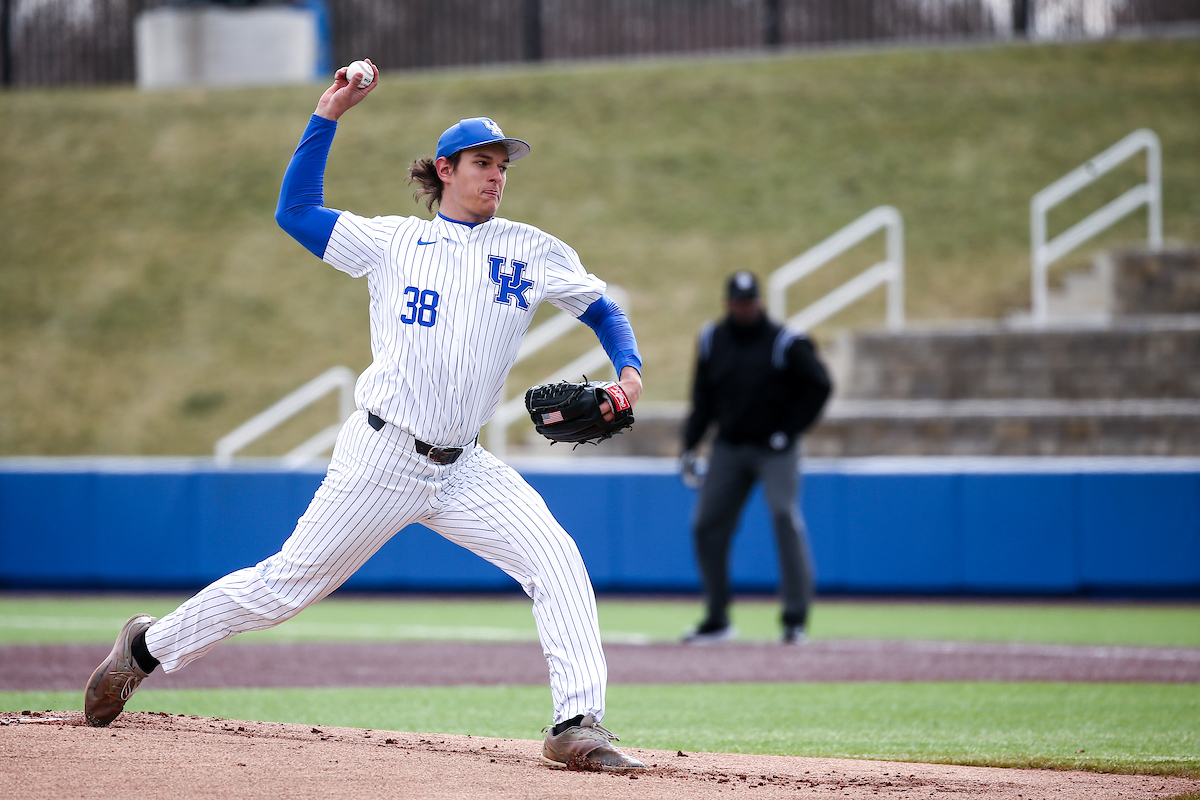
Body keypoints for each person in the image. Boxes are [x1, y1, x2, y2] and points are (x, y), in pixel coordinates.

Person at [83, 59, 648, 772]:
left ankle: (577, 721)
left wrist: (627, 371)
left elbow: (601, 306)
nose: (496, 175)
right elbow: (294, 212)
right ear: (444, 169)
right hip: (382, 457)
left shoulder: (529, 250)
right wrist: (328, 116)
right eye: (482, 162)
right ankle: (144, 648)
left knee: (556, 559)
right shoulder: (390, 243)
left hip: (465, 466)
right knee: (282, 588)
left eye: (503, 165)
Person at [680, 270, 831, 645]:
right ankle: (717, 617)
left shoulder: (785, 341)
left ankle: (795, 617)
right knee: (706, 525)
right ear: (728, 302)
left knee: (784, 515)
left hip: (774, 448)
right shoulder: (712, 339)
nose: (744, 308)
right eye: (738, 301)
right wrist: (689, 444)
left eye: (750, 301)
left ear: (759, 302)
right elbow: (703, 400)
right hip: (729, 446)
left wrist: (789, 431)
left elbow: (820, 385)